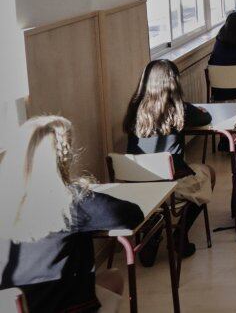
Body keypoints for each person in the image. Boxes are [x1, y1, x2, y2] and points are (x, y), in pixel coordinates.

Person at [0, 116, 144, 313]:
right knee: (114, 277)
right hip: (66, 306)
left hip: (16, 306)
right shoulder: (71, 201)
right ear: (63, 157)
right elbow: (131, 215)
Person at [124, 60, 216, 263]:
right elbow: (205, 118)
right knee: (208, 173)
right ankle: (179, 234)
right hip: (169, 184)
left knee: (178, 172)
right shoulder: (179, 109)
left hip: (137, 187)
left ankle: (153, 230)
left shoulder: (134, 110)